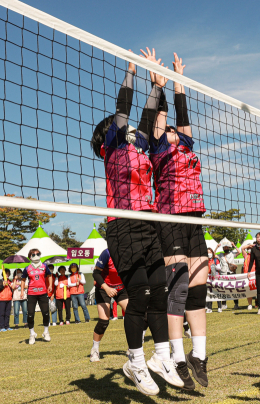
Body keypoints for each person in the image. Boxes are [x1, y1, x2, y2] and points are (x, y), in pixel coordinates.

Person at [90, 50, 180, 396]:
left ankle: (160, 357)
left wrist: (158, 85)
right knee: (139, 297)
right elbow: (123, 112)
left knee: (160, 292)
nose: (128, 128)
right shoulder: (111, 148)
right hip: (123, 224)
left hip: (148, 224)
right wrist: (130, 73)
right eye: (120, 127)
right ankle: (135, 361)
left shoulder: (138, 144)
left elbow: (146, 117)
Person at [147, 51, 210, 390]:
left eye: (173, 128)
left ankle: (199, 355)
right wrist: (159, 83)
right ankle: (176, 356)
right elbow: (160, 118)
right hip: (169, 218)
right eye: (167, 126)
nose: (172, 129)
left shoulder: (186, 143)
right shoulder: (156, 148)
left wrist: (179, 79)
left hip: (193, 219)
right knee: (179, 288)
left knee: (199, 287)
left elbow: (182, 113)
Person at [91, 249, 131, 361]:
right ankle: (95, 350)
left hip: (121, 289)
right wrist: (107, 288)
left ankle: (132, 348)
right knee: (104, 321)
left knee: (134, 316)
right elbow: (95, 273)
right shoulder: (107, 253)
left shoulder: (131, 251)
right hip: (103, 288)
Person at [21, 249, 53, 345]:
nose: (36, 255)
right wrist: (22, 291)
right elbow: (23, 280)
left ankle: (46, 332)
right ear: (30, 256)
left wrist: (50, 285)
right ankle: (32, 334)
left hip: (43, 293)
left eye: (38, 254)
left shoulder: (44, 266)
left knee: (46, 313)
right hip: (31, 294)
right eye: (33, 254)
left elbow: (49, 275)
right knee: (30, 314)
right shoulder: (27, 268)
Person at [206, 248, 226, 313]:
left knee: (217, 292)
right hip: (208, 278)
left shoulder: (215, 259)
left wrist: (214, 266)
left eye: (210, 252)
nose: (209, 254)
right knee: (209, 292)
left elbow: (219, 268)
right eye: (208, 252)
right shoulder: (205, 260)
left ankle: (219, 307)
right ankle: (209, 308)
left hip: (215, 277)